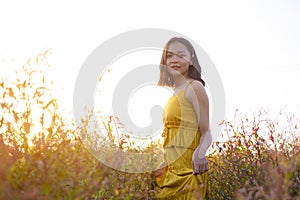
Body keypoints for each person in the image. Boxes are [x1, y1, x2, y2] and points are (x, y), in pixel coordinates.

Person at [154, 37, 212, 199]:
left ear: (191, 58)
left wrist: (200, 153)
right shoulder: (175, 92)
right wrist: (164, 162)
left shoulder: (195, 87)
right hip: (170, 173)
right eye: (170, 56)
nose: (174, 60)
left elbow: (206, 132)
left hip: (190, 172)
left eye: (180, 55)